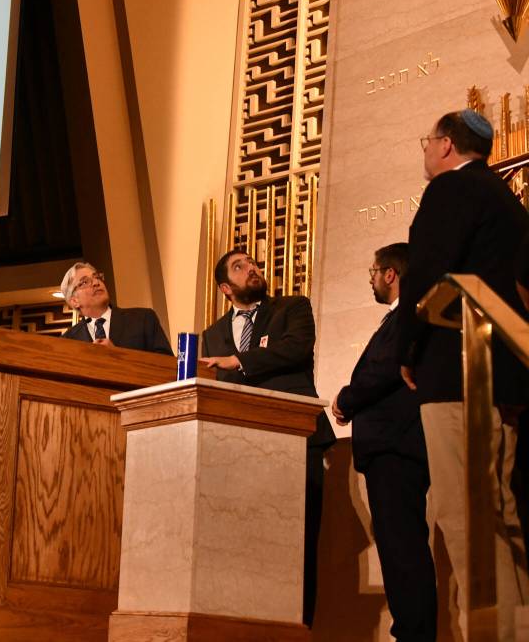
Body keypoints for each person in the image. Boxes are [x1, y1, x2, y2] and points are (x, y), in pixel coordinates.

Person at [398, 109, 529, 640]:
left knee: (466, 515)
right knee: (499, 517)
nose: (426, 151)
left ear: (447, 145)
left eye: (428, 141)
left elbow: (427, 274)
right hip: (506, 373)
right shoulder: (508, 201)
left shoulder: (450, 190)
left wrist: (407, 348)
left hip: (460, 369)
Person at [199, 249, 336, 627]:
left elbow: (295, 349)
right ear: (225, 288)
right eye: (240, 267)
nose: (252, 268)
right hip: (238, 447)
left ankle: (299, 629)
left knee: (299, 544)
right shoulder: (212, 334)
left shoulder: (291, 308)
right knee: (245, 544)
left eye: (253, 263)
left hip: (297, 437)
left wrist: (239, 361)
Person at [333, 243, 436, 641]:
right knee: (399, 550)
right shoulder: (401, 316)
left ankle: (414, 634)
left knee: (403, 550)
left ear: (390, 274)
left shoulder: (408, 315)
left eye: (373, 272)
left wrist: (346, 399)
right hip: (393, 446)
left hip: (396, 446)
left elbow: (386, 369)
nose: (371, 280)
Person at [59, 261, 173, 355]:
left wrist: (118, 355)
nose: (96, 283)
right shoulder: (67, 341)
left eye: (97, 277)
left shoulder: (143, 319)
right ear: (74, 301)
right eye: (85, 282)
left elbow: (166, 364)